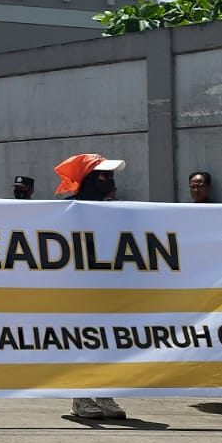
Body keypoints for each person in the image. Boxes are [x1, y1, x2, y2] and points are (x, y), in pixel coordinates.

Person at [53, 153, 133, 422]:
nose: (110, 181)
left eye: (111, 176)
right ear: (88, 179)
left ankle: (105, 394)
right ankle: (81, 397)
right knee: (81, 339)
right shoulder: (67, 209)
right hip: (76, 288)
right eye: (103, 176)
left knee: (108, 340)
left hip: (108, 285)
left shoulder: (116, 211)